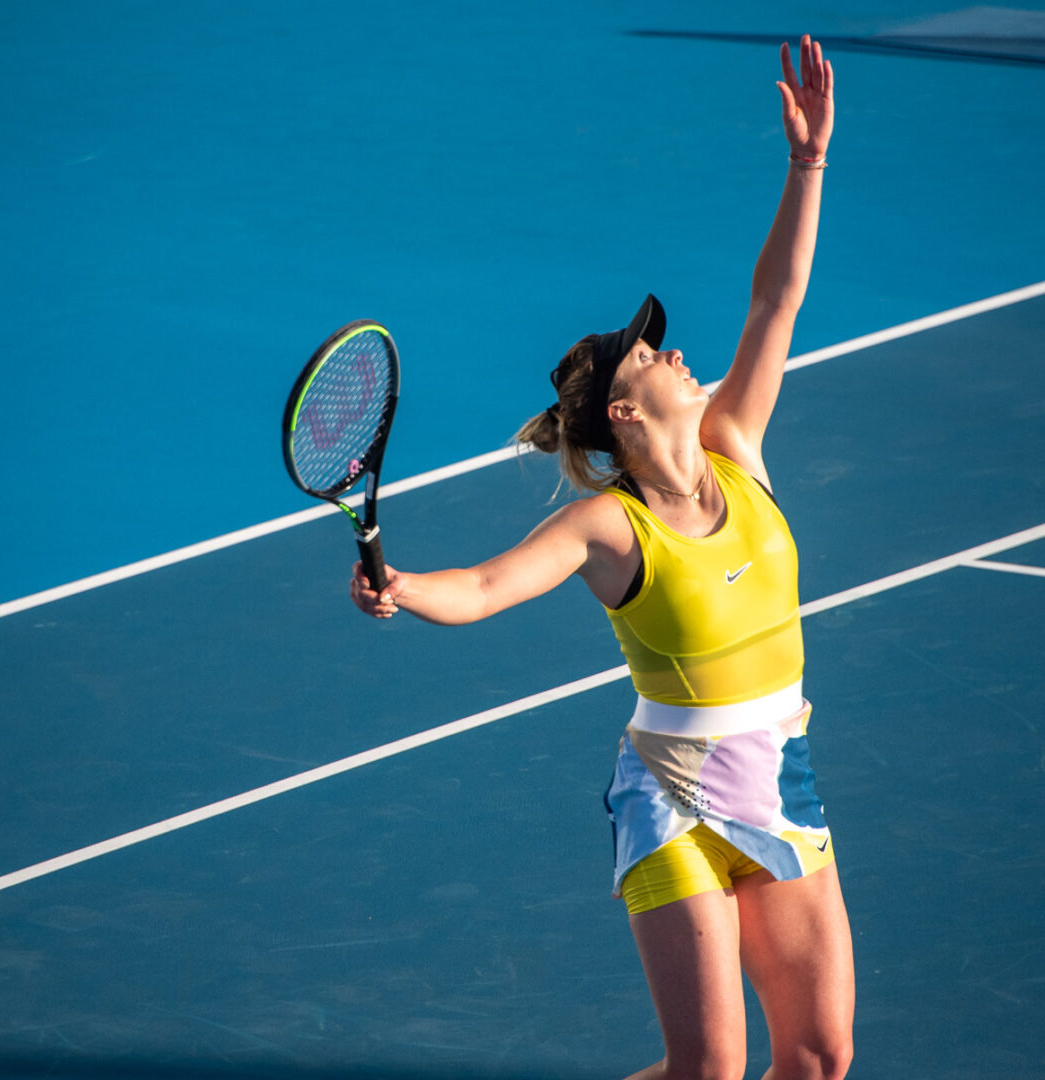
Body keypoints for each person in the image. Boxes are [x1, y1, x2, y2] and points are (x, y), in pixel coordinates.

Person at [350, 35, 850, 1080]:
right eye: (649, 352)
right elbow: (486, 587)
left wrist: (807, 168)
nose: (674, 350)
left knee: (815, 1058)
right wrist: (402, 587)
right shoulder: (610, 528)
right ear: (625, 412)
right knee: (706, 1073)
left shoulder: (738, 444)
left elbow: (777, 301)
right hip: (670, 793)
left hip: (776, 777)